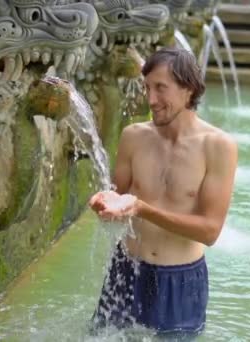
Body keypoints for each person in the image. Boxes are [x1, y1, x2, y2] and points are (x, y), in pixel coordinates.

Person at [88, 47, 238, 337]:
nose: (151, 99)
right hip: (126, 271)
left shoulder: (218, 146)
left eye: (161, 88)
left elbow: (210, 231)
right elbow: (120, 204)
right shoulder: (133, 136)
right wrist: (105, 204)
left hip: (179, 282)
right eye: (147, 88)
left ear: (189, 90)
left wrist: (142, 208)